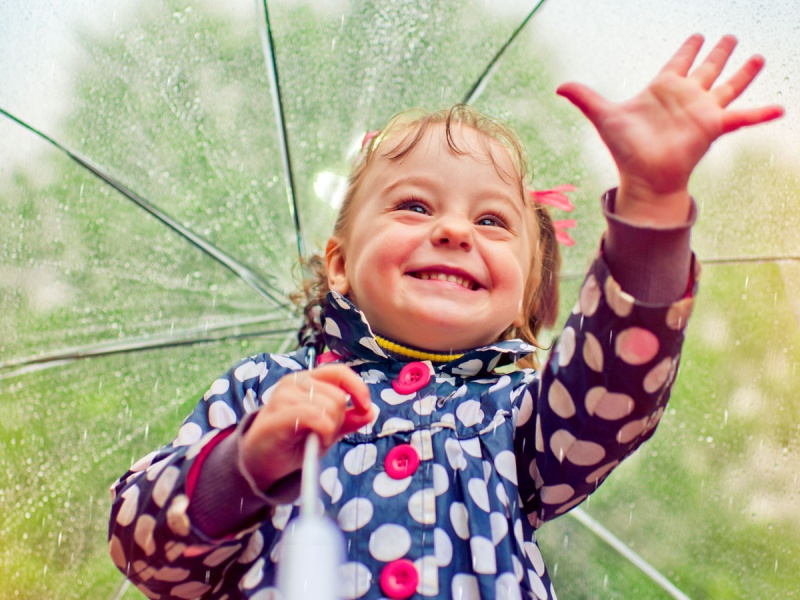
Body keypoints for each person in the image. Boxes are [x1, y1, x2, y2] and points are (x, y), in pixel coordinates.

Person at [108, 35, 782, 599]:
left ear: (524, 297)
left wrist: (650, 203)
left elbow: (614, 393)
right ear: (340, 264)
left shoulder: (518, 415)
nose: (456, 231)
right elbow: (146, 547)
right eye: (415, 206)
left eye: (491, 220)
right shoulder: (266, 391)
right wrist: (245, 462)